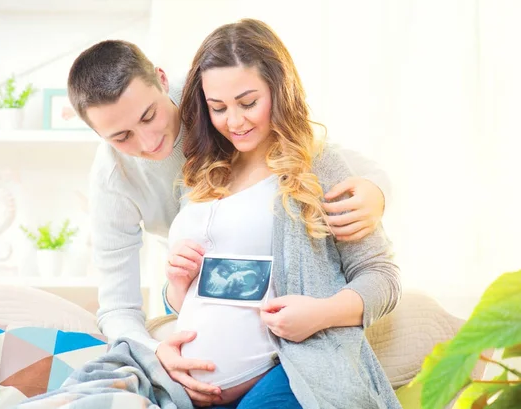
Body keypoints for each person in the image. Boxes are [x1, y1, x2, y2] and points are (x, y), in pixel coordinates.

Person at [67, 39, 393, 406]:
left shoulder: (212, 99)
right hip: (191, 354)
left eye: (148, 116)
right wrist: (157, 345)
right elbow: (126, 305)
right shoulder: (188, 173)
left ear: (162, 81)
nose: (149, 141)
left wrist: (374, 191)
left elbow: (322, 159)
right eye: (121, 136)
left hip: (285, 359)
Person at [163, 18, 402, 408]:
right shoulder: (200, 176)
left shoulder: (317, 168)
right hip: (186, 387)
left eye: (248, 102)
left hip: (289, 374)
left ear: (280, 88)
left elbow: (383, 277)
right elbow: (190, 299)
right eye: (218, 107)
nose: (234, 122)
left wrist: (323, 314)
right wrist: (175, 285)